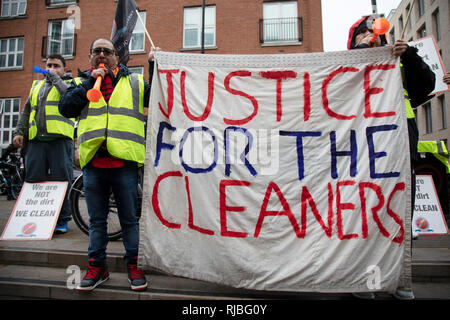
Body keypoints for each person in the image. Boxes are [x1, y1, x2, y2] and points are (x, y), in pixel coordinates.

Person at [347, 15, 436, 300]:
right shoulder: (348, 63)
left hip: (401, 141)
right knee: (366, 211)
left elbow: (426, 86)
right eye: (364, 33)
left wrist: (409, 55)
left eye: (373, 32)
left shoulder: (401, 61)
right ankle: (365, 279)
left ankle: (401, 278)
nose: (371, 36)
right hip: (365, 147)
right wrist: (361, 52)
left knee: (400, 210)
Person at [58, 38, 155, 292]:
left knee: (129, 220)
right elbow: (66, 108)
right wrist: (91, 81)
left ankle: (134, 267)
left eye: (107, 51)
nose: (102, 54)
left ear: (117, 57)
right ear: (90, 56)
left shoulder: (133, 81)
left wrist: (155, 66)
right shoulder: (80, 82)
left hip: (124, 163)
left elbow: (157, 96)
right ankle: (97, 268)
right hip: (93, 165)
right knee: (97, 221)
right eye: (97, 50)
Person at [13, 54, 79, 234]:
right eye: (48, 65)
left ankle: (62, 219)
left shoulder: (70, 84)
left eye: (56, 65)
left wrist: (56, 78)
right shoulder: (37, 86)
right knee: (32, 179)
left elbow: (70, 97)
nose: (51, 68)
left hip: (59, 140)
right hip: (36, 141)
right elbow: (26, 111)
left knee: (61, 180)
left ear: (64, 69)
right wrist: (20, 132)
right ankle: (33, 218)